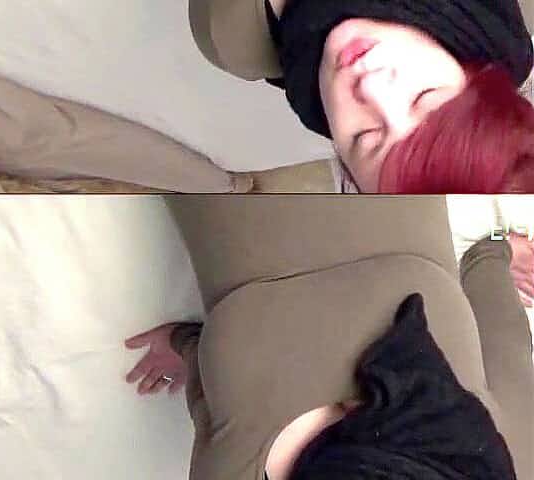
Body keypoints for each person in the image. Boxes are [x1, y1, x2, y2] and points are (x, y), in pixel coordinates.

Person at [124, 197, 533, 479]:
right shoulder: (233, 463)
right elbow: (203, 382)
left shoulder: (505, 452)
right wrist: (182, 342)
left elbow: (506, 338)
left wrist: (497, 248)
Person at [187, 0, 534, 193]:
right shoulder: (495, 28)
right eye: (423, 96)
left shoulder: (233, 37)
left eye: (365, 137)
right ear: (475, 75)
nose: (370, 87)